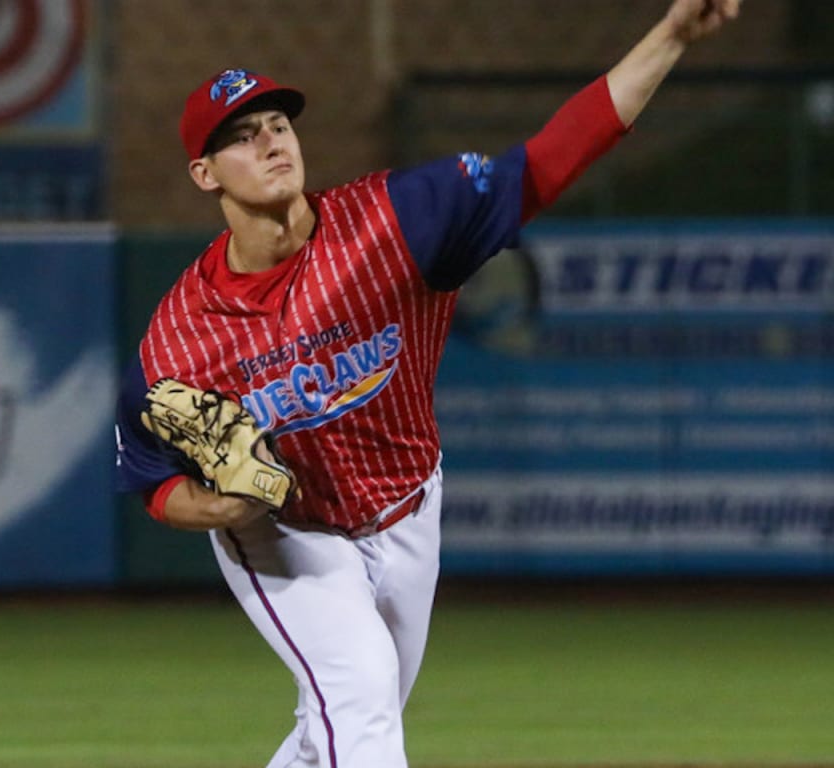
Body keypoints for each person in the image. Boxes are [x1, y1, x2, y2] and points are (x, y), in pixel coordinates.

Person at [114, 1, 741, 765]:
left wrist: (672, 35)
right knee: (361, 692)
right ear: (204, 173)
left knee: (335, 729)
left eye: (277, 123)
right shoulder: (178, 337)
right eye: (242, 137)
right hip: (285, 529)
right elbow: (151, 480)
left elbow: (551, 157)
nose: (271, 141)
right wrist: (219, 505)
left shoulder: (396, 220)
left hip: (410, 504)